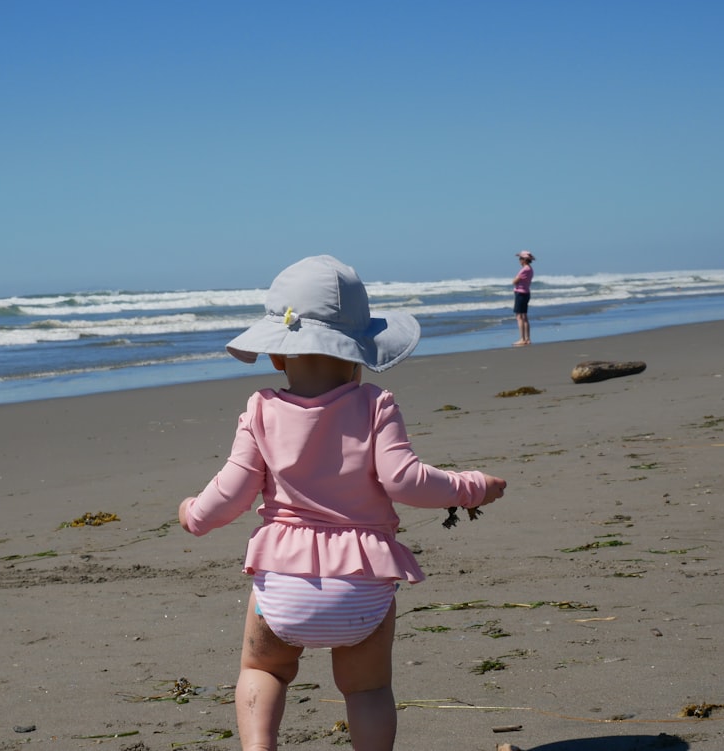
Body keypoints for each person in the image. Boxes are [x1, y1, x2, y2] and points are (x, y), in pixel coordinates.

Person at [177, 255, 507, 751]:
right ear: (360, 352)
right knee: (368, 689)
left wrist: (193, 515)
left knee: (262, 669)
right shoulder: (375, 404)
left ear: (276, 355)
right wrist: (471, 486)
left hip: (283, 586)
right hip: (362, 587)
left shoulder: (261, 409)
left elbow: (232, 490)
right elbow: (406, 481)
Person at [512, 250, 535, 346]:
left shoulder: (524, 269)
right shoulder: (530, 269)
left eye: (520, 258)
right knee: (524, 317)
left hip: (520, 294)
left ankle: (522, 338)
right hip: (526, 293)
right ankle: (527, 339)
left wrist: (515, 279)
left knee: (519, 317)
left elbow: (514, 281)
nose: (519, 260)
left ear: (524, 260)